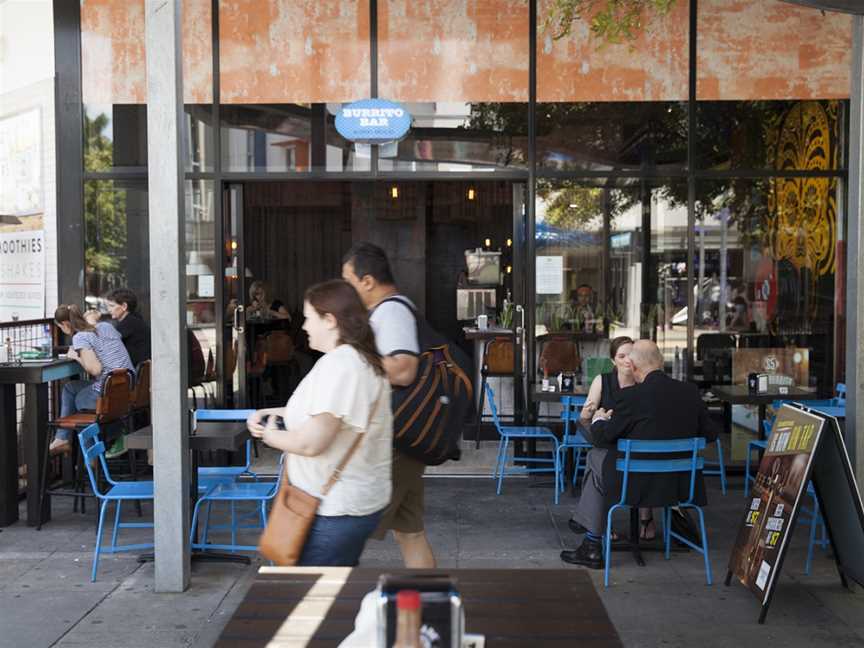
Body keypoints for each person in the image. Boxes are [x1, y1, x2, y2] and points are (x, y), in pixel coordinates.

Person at [246, 279, 392, 566]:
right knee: (328, 594)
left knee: (313, 599)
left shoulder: (341, 366)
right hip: (346, 503)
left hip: (334, 508)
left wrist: (268, 435)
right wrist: (273, 411)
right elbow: (332, 412)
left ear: (329, 320)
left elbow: (311, 442)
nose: (303, 326)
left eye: (309, 318)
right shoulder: (355, 360)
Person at [561, 340, 718, 568]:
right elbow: (711, 434)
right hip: (681, 486)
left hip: (634, 487)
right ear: (661, 362)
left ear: (633, 366)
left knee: (597, 457)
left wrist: (598, 420)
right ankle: (592, 540)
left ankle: (592, 543)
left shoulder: (631, 397)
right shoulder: (690, 392)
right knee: (600, 461)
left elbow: (604, 438)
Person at [341, 242, 435, 569]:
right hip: (407, 436)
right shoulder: (390, 310)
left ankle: (323, 603)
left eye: (349, 281)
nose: (347, 290)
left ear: (367, 281)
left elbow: (403, 369)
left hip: (397, 436)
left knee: (345, 525)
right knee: (410, 533)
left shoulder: (391, 310)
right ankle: (430, 603)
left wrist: (353, 358)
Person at [566, 335, 658, 541]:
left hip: (635, 446)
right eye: (621, 356)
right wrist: (590, 413)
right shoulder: (603, 380)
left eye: (630, 355)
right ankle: (639, 520)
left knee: (598, 458)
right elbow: (585, 419)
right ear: (612, 361)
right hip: (607, 439)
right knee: (601, 453)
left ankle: (596, 525)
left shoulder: (644, 382)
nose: (627, 360)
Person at [50, 304, 135, 455]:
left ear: (65, 324)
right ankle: (63, 439)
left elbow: (95, 369)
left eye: (61, 327)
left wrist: (76, 356)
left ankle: (90, 456)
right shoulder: (106, 326)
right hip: (126, 387)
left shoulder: (80, 337)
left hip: (109, 393)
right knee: (70, 388)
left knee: (79, 401)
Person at [104, 288, 151, 368]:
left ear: (124, 306)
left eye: (112, 306)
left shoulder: (129, 323)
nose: (109, 310)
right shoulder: (135, 320)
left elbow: (107, 345)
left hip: (131, 374)